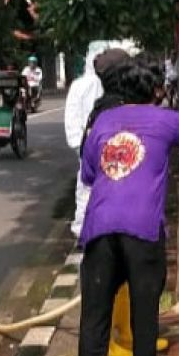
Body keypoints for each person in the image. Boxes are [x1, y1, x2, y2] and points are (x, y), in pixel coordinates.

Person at [75, 56, 179, 356]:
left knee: (95, 312)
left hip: (100, 228)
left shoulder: (104, 119)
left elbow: (89, 175)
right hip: (142, 229)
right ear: (156, 91)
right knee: (144, 309)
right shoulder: (166, 119)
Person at [64, 44, 130, 239]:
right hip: (111, 148)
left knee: (87, 191)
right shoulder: (118, 87)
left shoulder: (80, 86)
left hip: (89, 148)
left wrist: (80, 147)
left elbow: (71, 119)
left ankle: (85, 231)